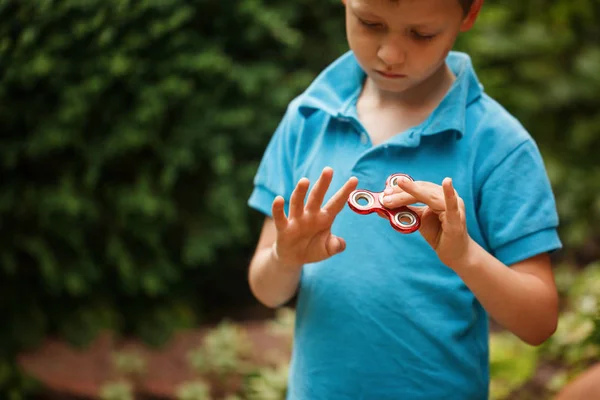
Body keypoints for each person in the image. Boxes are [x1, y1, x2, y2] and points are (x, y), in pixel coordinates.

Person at [246, 0, 562, 398]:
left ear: (469, 14)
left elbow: (538, 323)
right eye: (370, 23)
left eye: (422, 34)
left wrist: (465, 256)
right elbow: (267, 289)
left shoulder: (499, 146)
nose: (389, 54)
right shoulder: (308, 119)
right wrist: (284, 257)